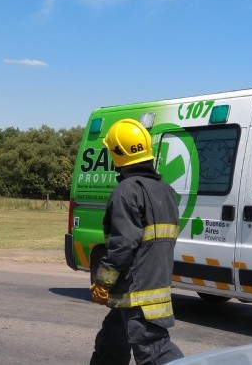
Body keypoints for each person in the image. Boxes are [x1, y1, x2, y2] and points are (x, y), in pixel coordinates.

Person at [89, 119, 184, 365]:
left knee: (154, 349)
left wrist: (102, 281)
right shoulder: (166, 190)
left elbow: (123, 245)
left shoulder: (126, 190)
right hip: (152, 285)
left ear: (116, 153)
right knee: (112, 340)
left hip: (136, 291)